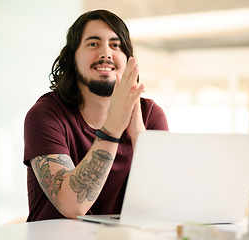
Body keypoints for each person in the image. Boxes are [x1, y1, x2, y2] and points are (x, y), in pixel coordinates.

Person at [23, 9, 169, 222]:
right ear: (73, 56)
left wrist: (138, 132)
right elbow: (72, 205)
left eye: (115, 45)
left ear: (129, 60)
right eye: (93, 44)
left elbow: (164, 199)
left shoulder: (150, 115)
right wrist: (113, 129)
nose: (106, 53)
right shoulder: (45, 115)